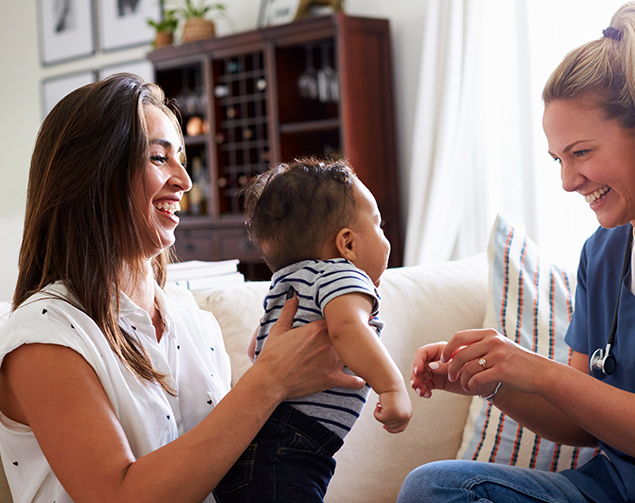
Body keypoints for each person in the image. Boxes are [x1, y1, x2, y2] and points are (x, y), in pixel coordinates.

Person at [399, 2, 635, 502]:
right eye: (557, 159)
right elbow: (580, 424)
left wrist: (538, 369)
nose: (569, 181)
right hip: (611, 490)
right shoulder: (602, 252)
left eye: (581, 152)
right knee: (438, 488)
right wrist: (492, 381)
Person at [0, 73, 364, 503]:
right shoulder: (43, 336)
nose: (184, 182)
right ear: (92, 174)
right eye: (159, 158)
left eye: (182, 160)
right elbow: (117, 496)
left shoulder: (191, 319)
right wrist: (268, 381)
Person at [214, 159, 412, 503]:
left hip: (255, 443)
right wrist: (393, 388)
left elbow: (255, 349)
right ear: (347, 244)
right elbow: (348, 327)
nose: (385, 236)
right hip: (291, 448)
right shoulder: (342, 274)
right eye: (378, 225)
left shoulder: (289, 283)